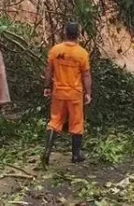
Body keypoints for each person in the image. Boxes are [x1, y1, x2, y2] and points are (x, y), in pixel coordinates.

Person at [42, 22, 92, 165]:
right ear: (78, 34)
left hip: (59, 92)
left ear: (65, 32)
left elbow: (49, 70)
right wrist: (88, 93)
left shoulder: (55, 50)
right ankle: (76, 155)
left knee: (55, 120)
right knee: (76, 122)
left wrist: (47, 86)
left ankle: (47, 152)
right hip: (75, 94)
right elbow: (86, 75)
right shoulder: (82, 53)